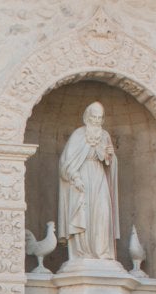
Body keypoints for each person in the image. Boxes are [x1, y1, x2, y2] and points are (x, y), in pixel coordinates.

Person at [58, 101, 120, 262]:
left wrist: (110, 156)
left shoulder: (105, 135)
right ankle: (82, 252)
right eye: (94, 117)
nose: (97, 120)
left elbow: (109, 162)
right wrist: (76, 178)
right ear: (87, 116)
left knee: (102, 212)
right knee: (83, 214)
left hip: (99, 177)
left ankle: (102, 252)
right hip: (82, 176)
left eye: (100, 117)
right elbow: (67, 162)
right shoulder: (78, 134)